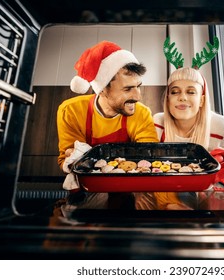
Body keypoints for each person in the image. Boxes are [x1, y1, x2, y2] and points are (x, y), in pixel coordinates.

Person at [56, 40, 159, 211]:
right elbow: (65, 160)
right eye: (128, 89)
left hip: (129, 188)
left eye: (139, 86)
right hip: (88, 190)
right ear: (102, 89)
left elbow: (148, 154)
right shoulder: (71, 110)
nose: (138, 96)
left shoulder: (142, 113)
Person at [148, 37, 224, 210]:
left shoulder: (222, 128)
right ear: (168, 99)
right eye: (175, 92)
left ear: (202, 100)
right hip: (164, 192)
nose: (182, 97)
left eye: (191, 92)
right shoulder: (156, 123)